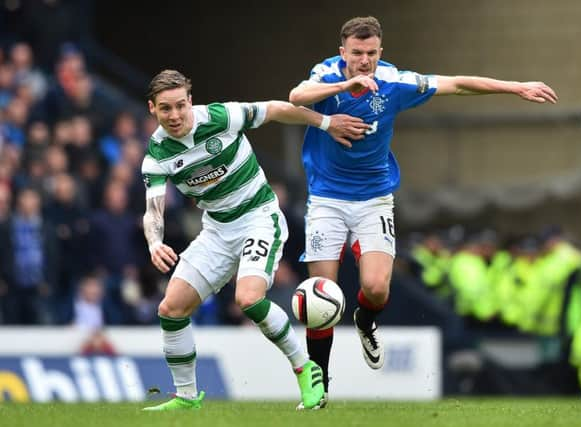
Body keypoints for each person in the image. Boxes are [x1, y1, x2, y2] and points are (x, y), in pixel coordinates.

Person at [288, 16, 558, 407]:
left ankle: (366, 320)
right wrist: (345, 89)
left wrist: (514, 87)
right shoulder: (327, 73)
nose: (363, 61)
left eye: (371, 54)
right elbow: (297, 96)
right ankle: (319, 387)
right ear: (342, 50)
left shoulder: (395, 82)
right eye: (356, 53)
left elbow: (456, 84)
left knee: (377, 289)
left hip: (374, 198)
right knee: (321, 297)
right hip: (326, 198)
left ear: (380, 52)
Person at [140, 69, 368, 411]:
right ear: (152, 109)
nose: (174, 116)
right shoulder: (157, 154)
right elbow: (153, 210)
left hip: (259, 218)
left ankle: (307, 369)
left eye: (180, 106)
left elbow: (275, 108)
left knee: (248, 298)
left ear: (190, 101)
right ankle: (186, 397)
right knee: (171, 309)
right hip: (217, 230)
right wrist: (154, 242)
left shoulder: (220, 117)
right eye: (165, 108)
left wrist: (325, 123)